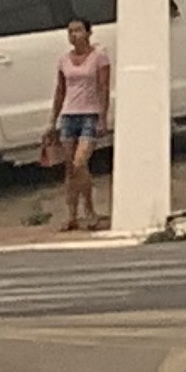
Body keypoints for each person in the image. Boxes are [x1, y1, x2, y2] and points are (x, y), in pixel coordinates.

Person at [42, 13, 110, 233]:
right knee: (70, 168)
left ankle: (89, 209)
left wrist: (103, 116)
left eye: (78, 30)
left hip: (90, 113)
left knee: (81, 161)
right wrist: (53, 120)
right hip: (69, 115)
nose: (74, 35)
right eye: (70, 31)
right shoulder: (64, 60)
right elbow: (60, 91)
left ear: (88, 33)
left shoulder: (99, 57)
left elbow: (103, 88)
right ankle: (72, 214)